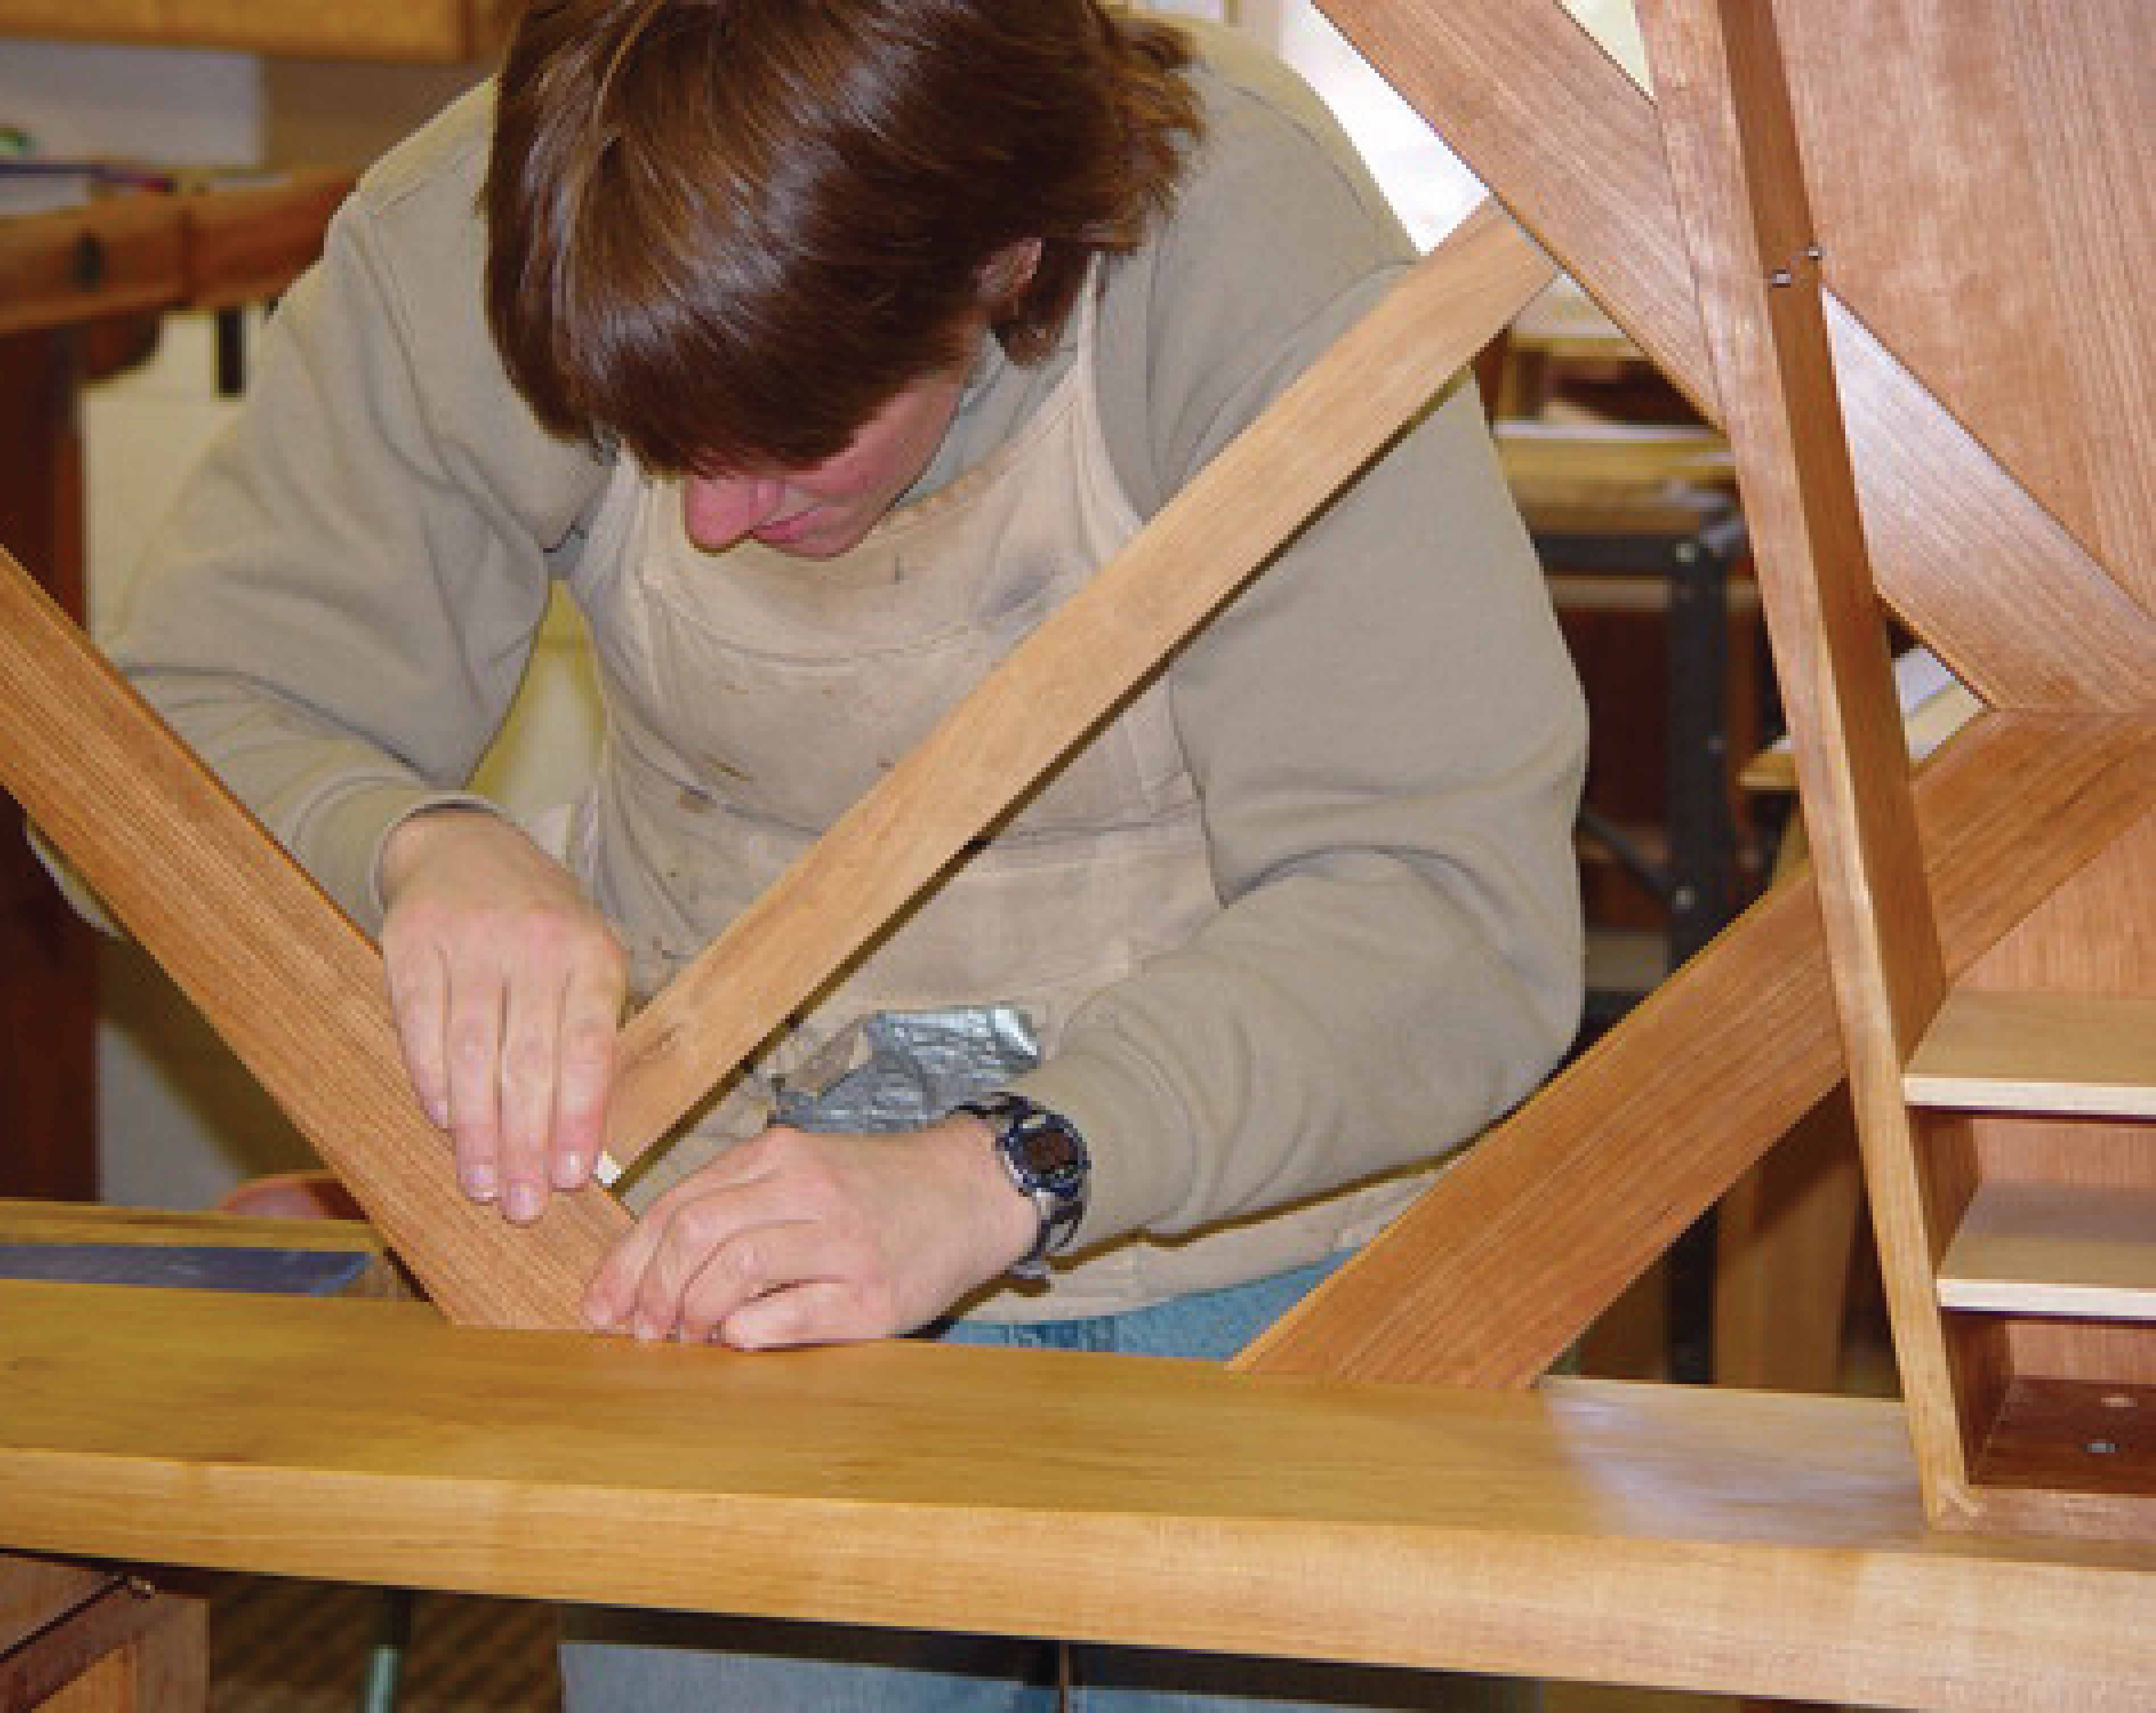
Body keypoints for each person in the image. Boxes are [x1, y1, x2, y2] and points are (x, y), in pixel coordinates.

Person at [103, 1, 1586, 1703]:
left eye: (789, 440)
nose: (715, 521)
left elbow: (1449, 916)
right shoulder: (516, 211)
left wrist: (996, 1172)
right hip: (738, 1259)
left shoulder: (1243, 241)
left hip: (1281, 1236)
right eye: (662, 447)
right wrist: (410, 845)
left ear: (1008, 262)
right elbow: (149, 756)